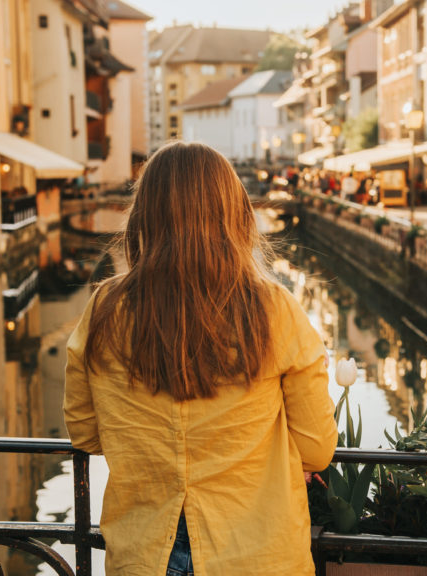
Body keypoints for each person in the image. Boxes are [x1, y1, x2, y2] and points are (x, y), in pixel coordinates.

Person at [64, 142, 338, 576]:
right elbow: (317, 448)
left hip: (144, 552)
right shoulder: (273, 309)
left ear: (143, 216)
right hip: (254, 553)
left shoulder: (104, 309)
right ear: (234, 215)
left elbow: (85, 433)